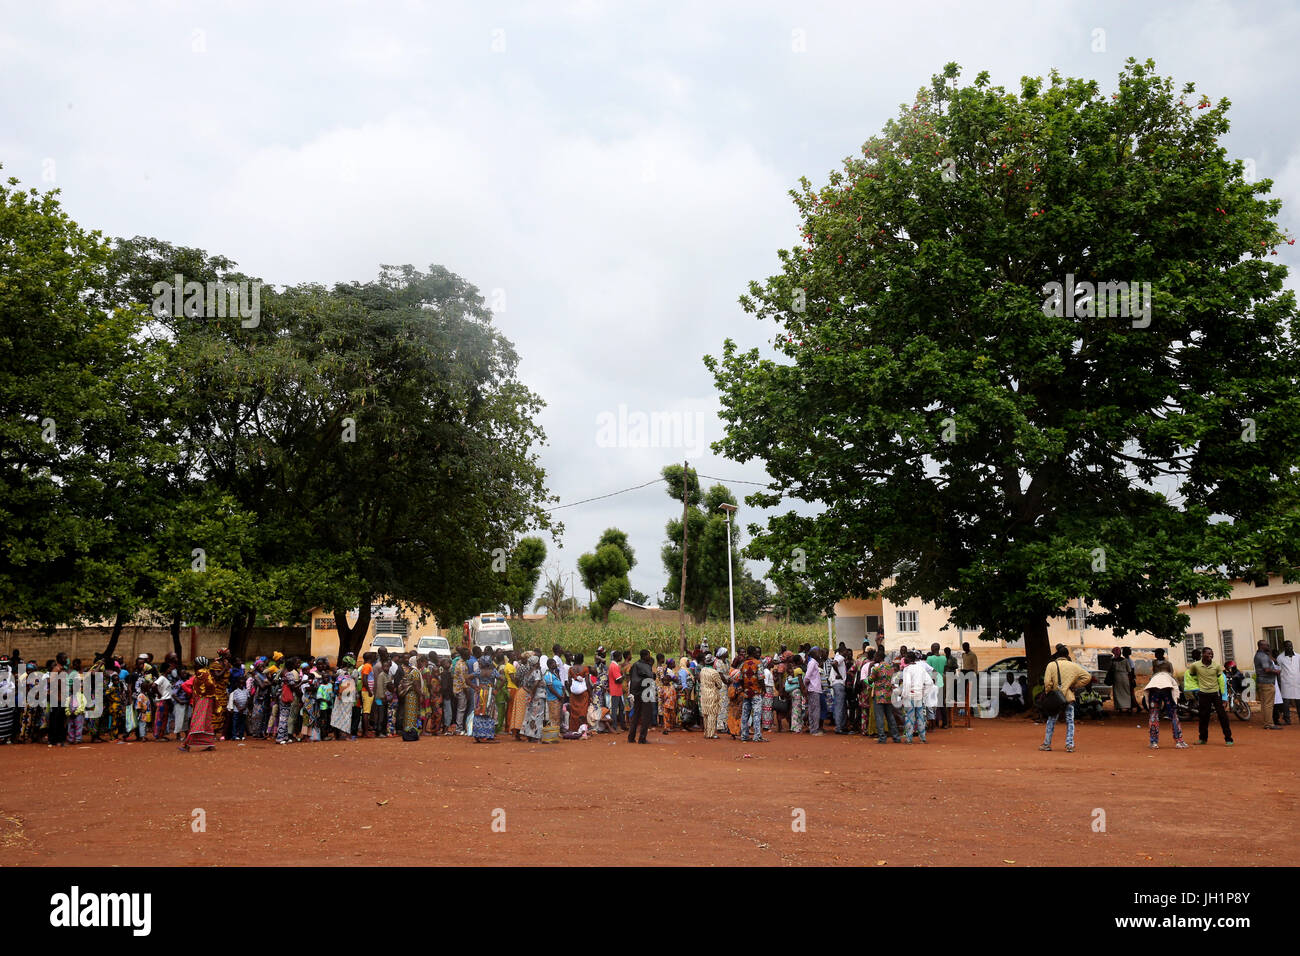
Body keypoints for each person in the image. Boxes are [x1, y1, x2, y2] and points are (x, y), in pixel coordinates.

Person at [1038, 646, 1091, 753]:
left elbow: (1047, 683)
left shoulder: (1051, 665)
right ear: (1067, 655)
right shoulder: (1074, 666)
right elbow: (1087, 676)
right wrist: (1075, 686)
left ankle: (1047, 744)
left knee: (1051, 720)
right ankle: (1069, 745)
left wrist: (1049, 693)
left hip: (1055, 699)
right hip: (1069, 697)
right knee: (1070, 721)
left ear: (1057, 654)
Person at [1187, 647, 1234, 746]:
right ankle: (1203, 739)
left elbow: (1221, 681)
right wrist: (1197, 688)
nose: (1210, 655)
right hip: (1203, 694)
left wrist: (1224, 697)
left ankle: (1228, 738)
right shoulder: (1195, 665)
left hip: (1215, 694)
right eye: (1208, 653)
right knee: (1203, 717)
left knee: (1223, 716)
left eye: (1212, 654)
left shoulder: (1216, 666)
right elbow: (1191, 676)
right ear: (1203, 654)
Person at [1144, 660, 1187, 749]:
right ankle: (1179, 741)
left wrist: (1150, 707)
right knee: (1174, 717)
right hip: (1167, 690)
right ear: (1169, 671)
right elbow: (1176, 690)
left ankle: (1153, 742)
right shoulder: (1170, 677)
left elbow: (1147, 692)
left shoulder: (1154, 677)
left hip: (1154, 691)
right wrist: (1175, 704)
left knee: (1153, 717)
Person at [180, 657, 218, 751]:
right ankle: (210, 744)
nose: (194, 665)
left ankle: (187, 744)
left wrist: (203, 692)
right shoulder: (206, 672)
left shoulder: (201, 673)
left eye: (195, 663)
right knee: (206, 722)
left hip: (203, 700)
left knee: (197, 721)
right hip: (206, 700)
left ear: (198, 664)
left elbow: (210, 685)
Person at [898, 652, 933, 743]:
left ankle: (909, 739)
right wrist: (924, 693)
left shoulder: (907, 669)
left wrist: (904, 695)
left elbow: (907, 684)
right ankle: (923, 738)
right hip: (919, 695)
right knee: (920, 717)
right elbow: (929, 682)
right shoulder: (921, 668)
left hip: (910, 696)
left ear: (908, 659)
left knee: (909, 717)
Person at [626, 649, 655, 744]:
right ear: (645, 656)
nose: (649, 657)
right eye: (648, 655)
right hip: (645, 692)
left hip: (636, 692)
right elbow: (650, 677)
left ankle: (631, 737)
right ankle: (642, 738)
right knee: (646, 715)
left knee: (636, 714)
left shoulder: (634, 665)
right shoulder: (645, 666)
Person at [517, 652, 547, 742]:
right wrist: (533, 694)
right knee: (538, 716)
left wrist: (529, 693)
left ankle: (529, 735)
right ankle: (537, 736)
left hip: (530, 696)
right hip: (538, 695)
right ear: (536, 663)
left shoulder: (528, 673)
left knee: (530, 715)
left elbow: (524, 686)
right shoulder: (537, 671)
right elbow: (536, 683)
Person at [739, 646, 766, 743]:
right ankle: (757, 736)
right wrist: (764, 689)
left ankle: (744, 735)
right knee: (757, 714)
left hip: (746, 693)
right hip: (756, 692)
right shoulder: (758, 663)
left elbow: (740, 679)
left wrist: (744, 688)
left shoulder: (743, 664)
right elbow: (761, 678)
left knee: (745, 715)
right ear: (753, 652)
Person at [471, 653, 499, 743]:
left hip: (481, 693)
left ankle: (477, 735)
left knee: (479, 712)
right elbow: (503, 679)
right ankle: (489, 735)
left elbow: (467, 678)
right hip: (490, 693)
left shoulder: (479, 671)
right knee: (490, 713)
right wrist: (497, 689)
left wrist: (475, 687)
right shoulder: (493, 671)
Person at [1254, 640, 1282, 729]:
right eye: (1267, 645)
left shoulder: (1259, 655)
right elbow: (1267, 669)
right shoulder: (1262, 656)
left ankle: (1267, 723)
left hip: (1262, 682)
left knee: (1265, 704)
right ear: (1262, 646)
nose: (1269, 646)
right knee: (1269, 704)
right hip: (1267, 682)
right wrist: (1277, 671)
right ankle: (1269, 724)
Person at [698, 655, 724, 738]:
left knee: (705, 714)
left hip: (703, 694)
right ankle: (711, 734)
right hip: (712, 694)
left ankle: (706, 733)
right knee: (712, 714)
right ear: (713, 662)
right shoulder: (714, 672)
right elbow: (719, 685)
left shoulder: (702, 670)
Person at [1107, 645, 1136, 714]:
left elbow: (1110, 670)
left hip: (1116, 678)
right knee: (1127, 693)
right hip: (1125, 678)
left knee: (1117, 693)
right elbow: (1129, 670)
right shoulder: (1125, 660)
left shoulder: (1112, 661)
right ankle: (1128, 707)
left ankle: (1119, 708)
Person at [1277, 641, 1300, 725]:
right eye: (1287, 646)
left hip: (1297, 682)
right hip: (1286, 682)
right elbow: (1278, 670)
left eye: (1291, 646)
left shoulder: (1298, 656)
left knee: (1299, 701)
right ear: (1284, 647)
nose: (1289, 648)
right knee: (1286, 702)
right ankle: (1287, 719)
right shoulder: (1280, 658)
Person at [926, 643, 947, 729]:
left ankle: (934, 723)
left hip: (932, 682)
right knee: (941, 703)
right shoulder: (944, 658)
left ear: (931, 649)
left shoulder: (929, 658)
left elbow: (928, 670)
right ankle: (945, 723)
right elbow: (945, 670)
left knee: (931, 703)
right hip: (941, 681)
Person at [805, 649, 824, 735]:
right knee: (815, 710)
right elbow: (807, 677)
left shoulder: (813, 663)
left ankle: (813, 728)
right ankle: (814, 730)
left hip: (813, 688)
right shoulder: (812, 663)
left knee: (813, 709)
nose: (819, 654)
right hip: (814, 689)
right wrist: (806, 686)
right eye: (817, 652)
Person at [608, 651, 626, 731]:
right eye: (620, 656)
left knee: (621, 708)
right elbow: (618, 680)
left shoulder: (614, 665)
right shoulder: (614, 666)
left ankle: (622, 725)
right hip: (615, 690)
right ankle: (615, 726)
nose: (621, 658)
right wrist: (624, 676)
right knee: (615, 709)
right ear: (617, 657)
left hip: (617, 690)